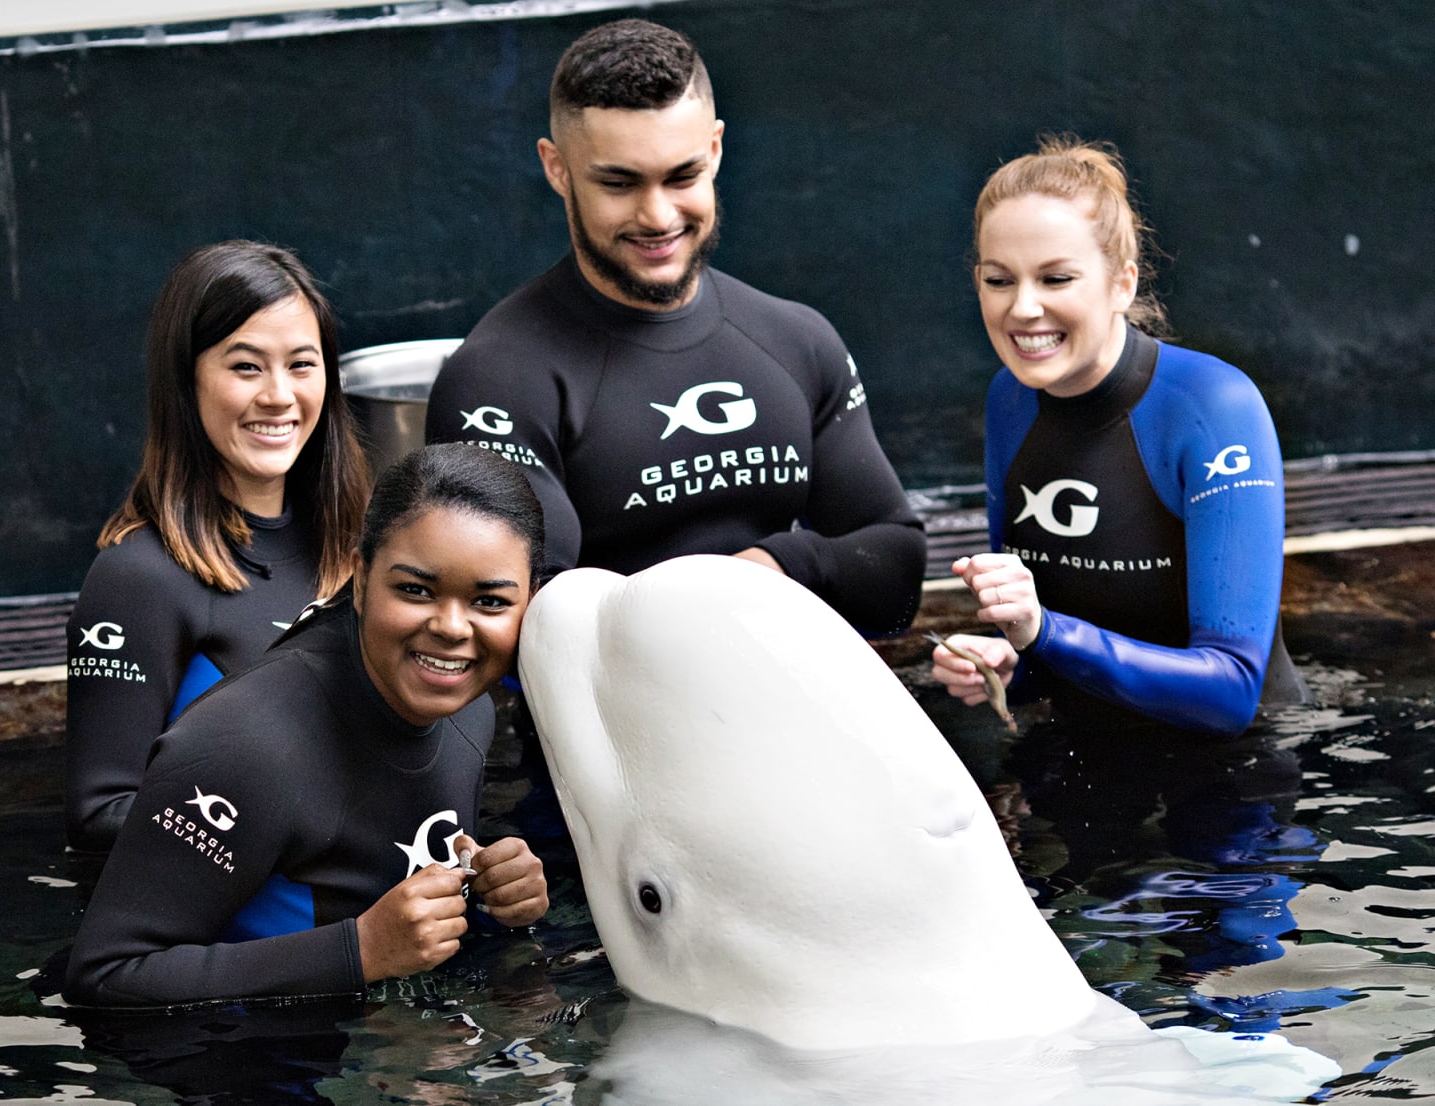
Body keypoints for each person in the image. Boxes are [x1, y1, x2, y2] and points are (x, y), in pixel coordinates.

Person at [425, 18, 926, 636]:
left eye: (682, 176)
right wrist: (716, 600)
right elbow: (544, 620)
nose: (657, 215)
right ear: (556, 169)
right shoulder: (497, 379)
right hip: (616, 729)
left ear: (715, 150)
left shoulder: (797, 340)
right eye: (619, 182)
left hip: (794, 707)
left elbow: (896, 576)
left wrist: (777, 565)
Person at [64, 444, 551, 1007]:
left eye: (489, 602)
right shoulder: (247, 745)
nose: (450, 628)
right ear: (361, 576)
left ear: (529, 602)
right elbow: (104, 975)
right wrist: (360, 950)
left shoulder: (469, 706)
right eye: (415, 590)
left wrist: (496, 889)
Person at [932, 136, 1307, 735]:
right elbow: (1047, 637)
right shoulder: (1010, 399)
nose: (1023, 308)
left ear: (1122, 284)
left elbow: (1233, 690)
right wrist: (1012, 662)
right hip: (1089, 742)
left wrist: (1046, 635)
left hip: (1244, 768)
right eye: (1000, 280)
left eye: (1056, 279)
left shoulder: (1212, 407)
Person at [65, 241, 372, 853]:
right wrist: (302, 826)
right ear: (187, 381)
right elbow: (99, 816)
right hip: (245, 940)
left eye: (302, 365)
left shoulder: (364, 550)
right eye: (246, 367)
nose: (280, 396)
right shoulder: (138, 578)